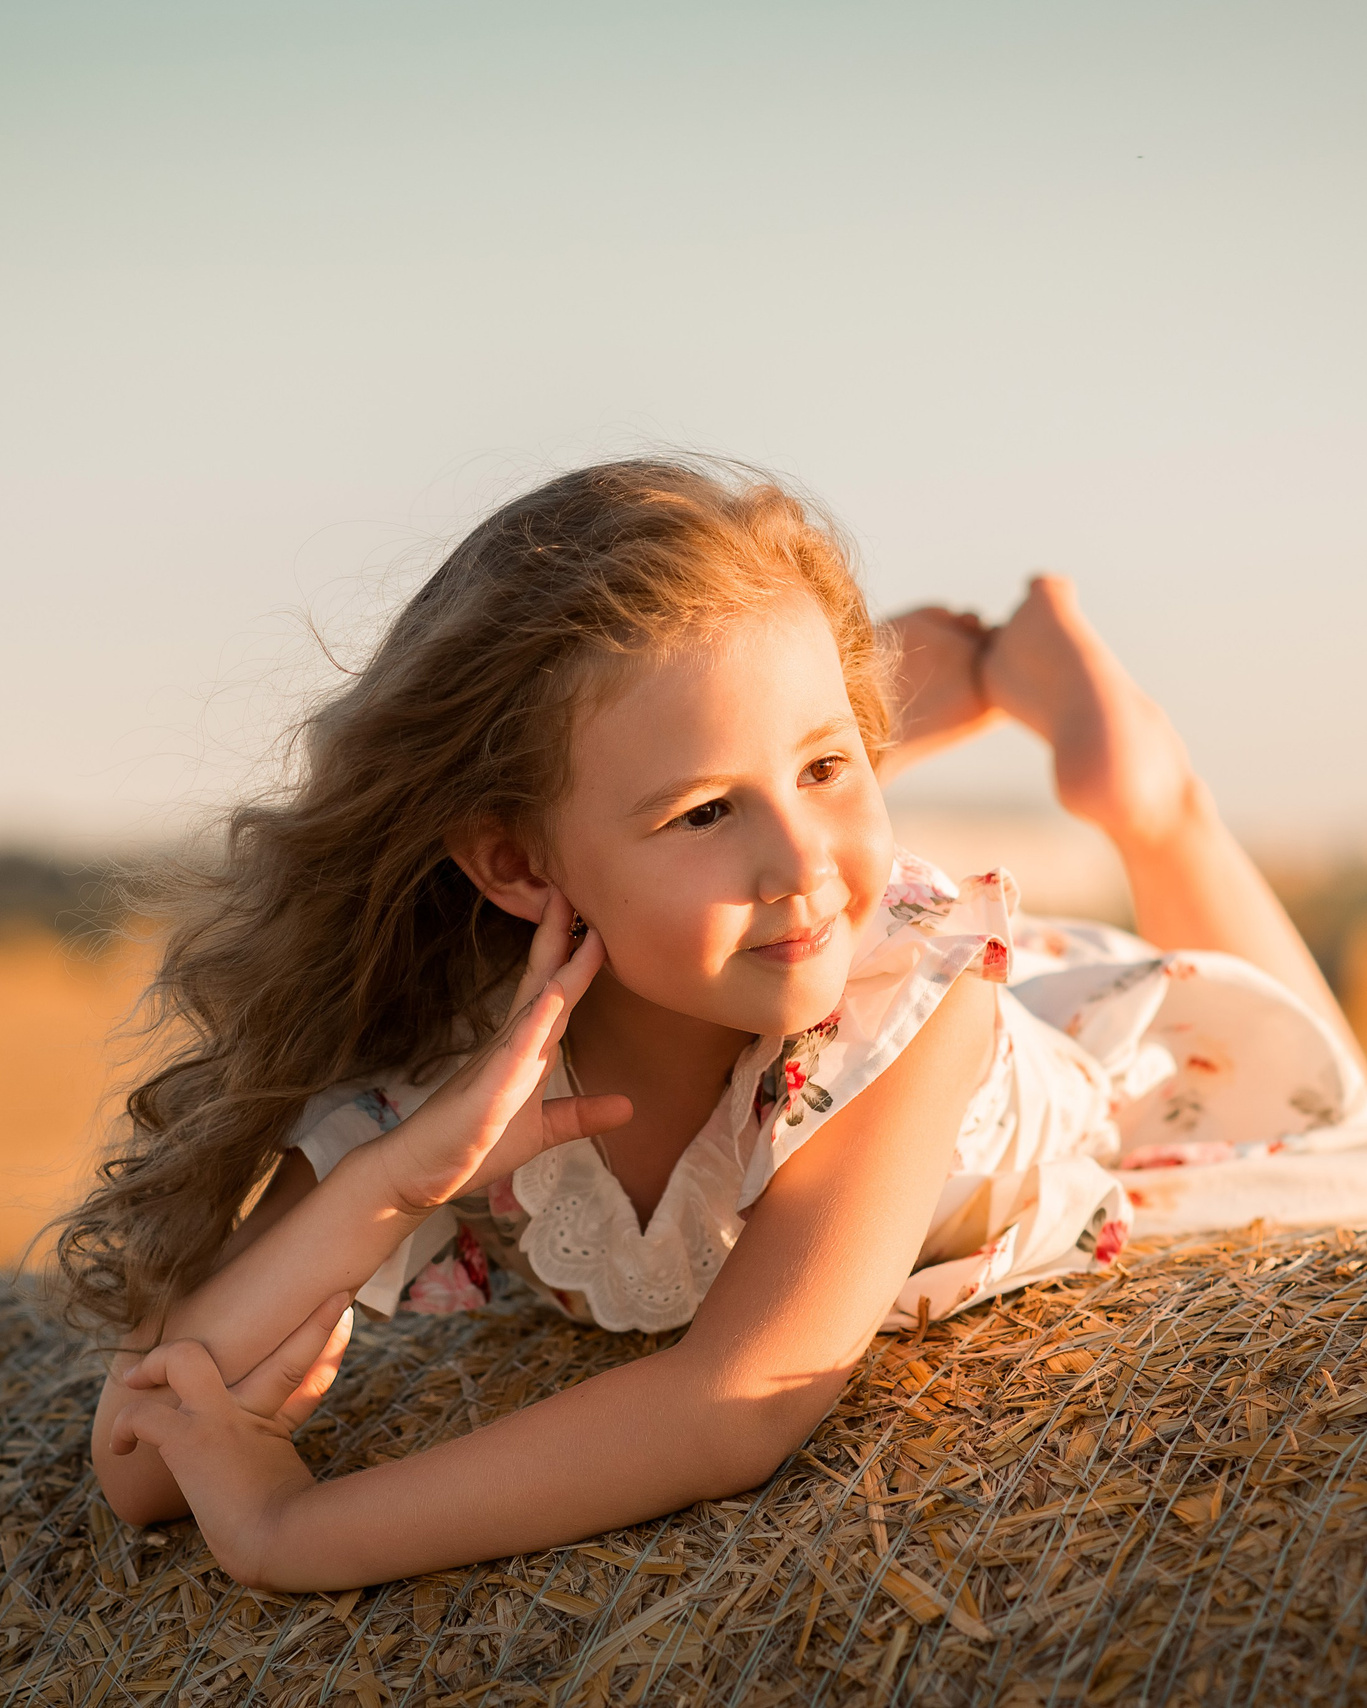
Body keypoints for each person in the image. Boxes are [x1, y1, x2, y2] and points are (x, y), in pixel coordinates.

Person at [64, 460, 1363, 1591]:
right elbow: (142, 1451)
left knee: (1335, 1113)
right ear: (516, 866)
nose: (801, 860)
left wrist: (300, 1529)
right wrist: (400, 1179)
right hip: (700, 957)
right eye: (704, 811)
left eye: (826, 766)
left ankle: (1145, 789)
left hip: (1097, 1076)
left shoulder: (924, 1006)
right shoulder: (452, 1073)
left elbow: (733, 1405)